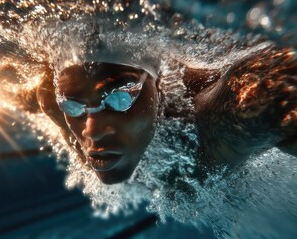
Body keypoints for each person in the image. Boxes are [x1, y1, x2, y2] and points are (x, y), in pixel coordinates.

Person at [28, 43, 296, 185]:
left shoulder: (211, 127)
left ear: (158, 85)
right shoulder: (52, 100)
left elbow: (273, 83)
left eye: (120, 98)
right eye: (73, 107)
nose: (92, 132)